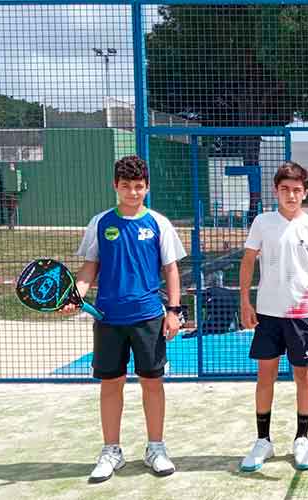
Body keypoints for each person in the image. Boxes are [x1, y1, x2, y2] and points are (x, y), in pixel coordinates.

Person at [68, 155, 187, 483]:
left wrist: (174, 312)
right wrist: (77, 293)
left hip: (148, 317)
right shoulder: (100, 222)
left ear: (147, 187)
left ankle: (156, 448)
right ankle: (111, 451)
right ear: (115, 187)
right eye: (126, 186)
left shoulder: (159, 223)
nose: (132, 192)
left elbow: (171, 269)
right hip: (108, 318)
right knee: (111, 384)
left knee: (152, 383)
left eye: (138, 187)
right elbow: (90, 266)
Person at [238, 161, 308, 472]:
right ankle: (263, 442)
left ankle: (301, 439)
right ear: (276, 191)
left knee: (303, 376)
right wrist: (245, 302)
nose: (291, 195)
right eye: (285, 190)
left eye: (297, 190)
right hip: (267, 315)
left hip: (303, 316)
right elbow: (247, 263)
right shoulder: (262, 223)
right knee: (265, 376)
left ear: (305, 192)